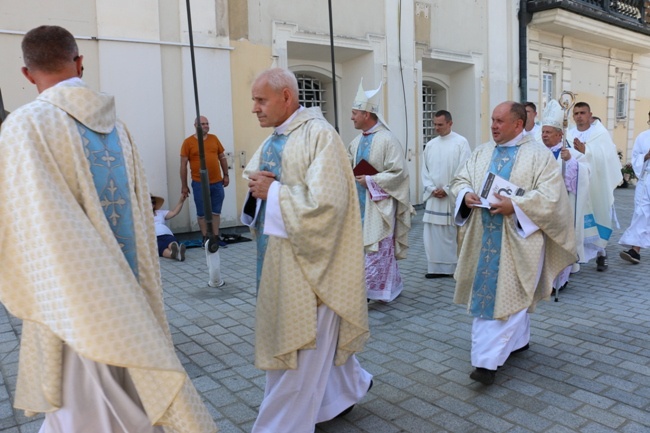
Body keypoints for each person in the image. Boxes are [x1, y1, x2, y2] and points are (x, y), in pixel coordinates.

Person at [0, 25, 216, 433]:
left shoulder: (24, 126)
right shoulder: (120, 129)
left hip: (72, 298)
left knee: (78, 404)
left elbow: (28, 221)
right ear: (80, 62)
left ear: (27, 74)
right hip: (130, 293)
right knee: (133, 382)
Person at [243, 67, 372, 432]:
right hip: (277, 262)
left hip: (314, 268)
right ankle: (350, 388)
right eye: (253, 99)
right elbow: (257, 194)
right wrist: (258, 192)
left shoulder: (320, 136)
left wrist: (275, 193)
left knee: (299, 356)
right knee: (313, 351)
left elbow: (329, 206)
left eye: (260, 99)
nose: (254, 108)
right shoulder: (271, 142)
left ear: (286, 96)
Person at [450, 101, 576, 385]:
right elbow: (459, 180)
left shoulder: (538, 156)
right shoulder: (482, 151)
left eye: (499, 121)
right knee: (500, 294)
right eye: (492, 120)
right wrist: (466, 194)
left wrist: (515, 206)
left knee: (509, 293)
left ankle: (485, 362)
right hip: (482, 238)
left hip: (519, 240)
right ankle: (518, 341)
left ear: (518, 124)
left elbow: (552, 198)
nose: (493, 126)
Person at [348, 79, 412, 303]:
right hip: (359, 203)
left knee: (377, 251)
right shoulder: (355, 142)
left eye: (355, 113)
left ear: (367, 114)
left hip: (380, 205)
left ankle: (370, 292)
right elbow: (348, 164)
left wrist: (371, 180)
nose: (352, 117)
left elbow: (399, 173)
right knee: (363, 250)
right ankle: (388, 287)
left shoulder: (387, 139)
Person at [540, 100, 591, 291]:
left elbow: (585, 174)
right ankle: (544, 279)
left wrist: (570, 162)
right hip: (542, 205)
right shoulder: (537, 152)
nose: (544, 135)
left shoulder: (569, 153)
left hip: (562, 206)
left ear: (560, 135)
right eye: (543, 132)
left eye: (548, 132)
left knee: (560, 241)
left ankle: (560, 279)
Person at [567, 102, 622, 271]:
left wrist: (587, 151)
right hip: (577, 184)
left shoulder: (599, 133)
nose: (579, 116)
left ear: (590, 114)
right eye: (576, 113)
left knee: (598, 214)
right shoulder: (569, 134)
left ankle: (601, 253)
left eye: (582, 113)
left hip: (596, 184)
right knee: (575, 220)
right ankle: (573, 259)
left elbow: (608, 157)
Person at [421, 110, 471, 278]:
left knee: (450, 235)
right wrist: (430, 188)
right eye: (434, 124)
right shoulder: (431, 145)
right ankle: (434, 268)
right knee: (432, 233)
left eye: (440, 124)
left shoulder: (461, 143)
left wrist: (448, 189)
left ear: (450, 123)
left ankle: (452, 268)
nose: (436, 128)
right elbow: (424, 170)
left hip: (451, 197)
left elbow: (464, 169)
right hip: (434, 197)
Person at [180, 115, 229, 246]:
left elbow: (222, 157)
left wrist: (226, 175)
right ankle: (206, 238)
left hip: (217, 182)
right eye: (203, 123)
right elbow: (183, 165)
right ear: (196, 126)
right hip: (199, 183)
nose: (206, 125)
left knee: (216, 211)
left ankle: (216, 237)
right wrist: (184, 186)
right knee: (202, 212)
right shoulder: (188, 142)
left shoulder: (214, 139)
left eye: (207, 123)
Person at [619, 110, 650, 264]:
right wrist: (646, 156)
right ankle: (635, 250)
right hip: (646, 180)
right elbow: (636, 156)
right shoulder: (643, 137)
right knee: (641, 213)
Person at [152, 194, 187, 261]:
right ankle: (176, 255)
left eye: (153, 202)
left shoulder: (160, 213)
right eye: (149, 202)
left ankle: (177, 251)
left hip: (166, 234)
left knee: (172, 243)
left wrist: (181, 201)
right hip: (153, 237)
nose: (152, 204)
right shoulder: (140, 215)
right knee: (161, 249)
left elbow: (174, 212)